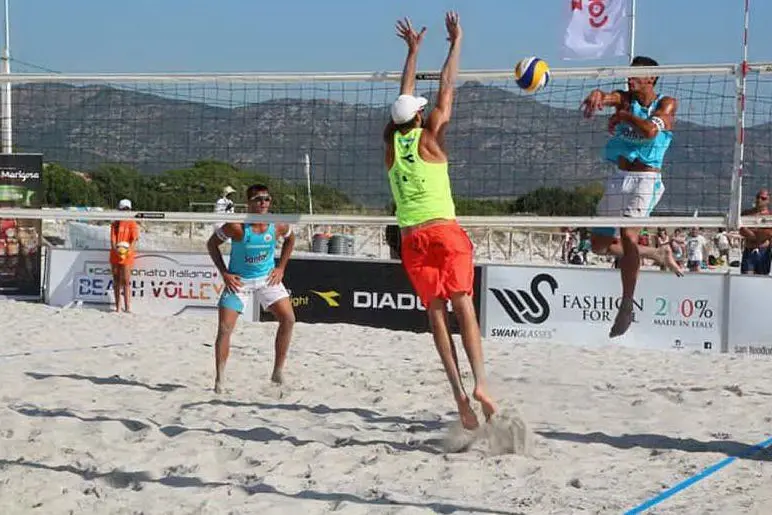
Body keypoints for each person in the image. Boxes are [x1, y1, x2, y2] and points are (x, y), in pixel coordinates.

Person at [383, 12, 497, 430]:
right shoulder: (430, 136)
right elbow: (446, 87)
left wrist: (412, 53)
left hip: (412, 238)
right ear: (418, 117)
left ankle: (459, 395)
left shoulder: (391, 146)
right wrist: (455, 43)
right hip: (444, 231)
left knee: (436, 314)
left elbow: (403, 94)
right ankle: (482, 382)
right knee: (464, 304)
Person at [580, 55, 683, 338]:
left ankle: (626, 304)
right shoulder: (625, 98)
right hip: (619, 177)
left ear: (650, 78)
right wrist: (597, 96)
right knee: (598, 245)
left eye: (635, 76)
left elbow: (650, 131)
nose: (629, 79)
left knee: (628, 236)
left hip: (646, 180)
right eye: (628, 75)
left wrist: (623, 116)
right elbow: (610, 96)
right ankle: (657, 253)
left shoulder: (667, 103)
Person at [206, 184, 296, 392]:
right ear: (248, 203)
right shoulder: (236, 226)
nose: (263, 203)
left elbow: (290, 240)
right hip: (240, 281)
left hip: (267, 279)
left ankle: (277, 371)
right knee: (225, 328)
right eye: (258, 199)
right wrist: (225, 273)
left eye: (267, 199)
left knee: (289, 319)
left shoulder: (277, 224)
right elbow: (211, 245)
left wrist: (281, 267)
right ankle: (220, 380)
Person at [109, 198, 140, 313]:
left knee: (126, 281)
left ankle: (127, 308)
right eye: (123, 209)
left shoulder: (132, 223)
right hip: (115, 254)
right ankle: (118, 307)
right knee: (116, 281)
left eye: (127, 209)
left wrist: (126, 252)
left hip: (127, 255)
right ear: (119, 209)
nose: (125, 211)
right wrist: (118, 251)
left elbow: (134, 240)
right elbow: (112, 241)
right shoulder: (115, 224)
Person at [739, 188, 772, 275]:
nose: (759, 200)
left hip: (763, 251)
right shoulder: (746, 214)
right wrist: (754, 234)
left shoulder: (770, 216)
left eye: (763, 198)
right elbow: (741, 229)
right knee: (746, 279)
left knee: (761, 280)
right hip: (749, 249)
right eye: (758, 197)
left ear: (768, 201)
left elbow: (766, 234)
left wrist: (751, 233)